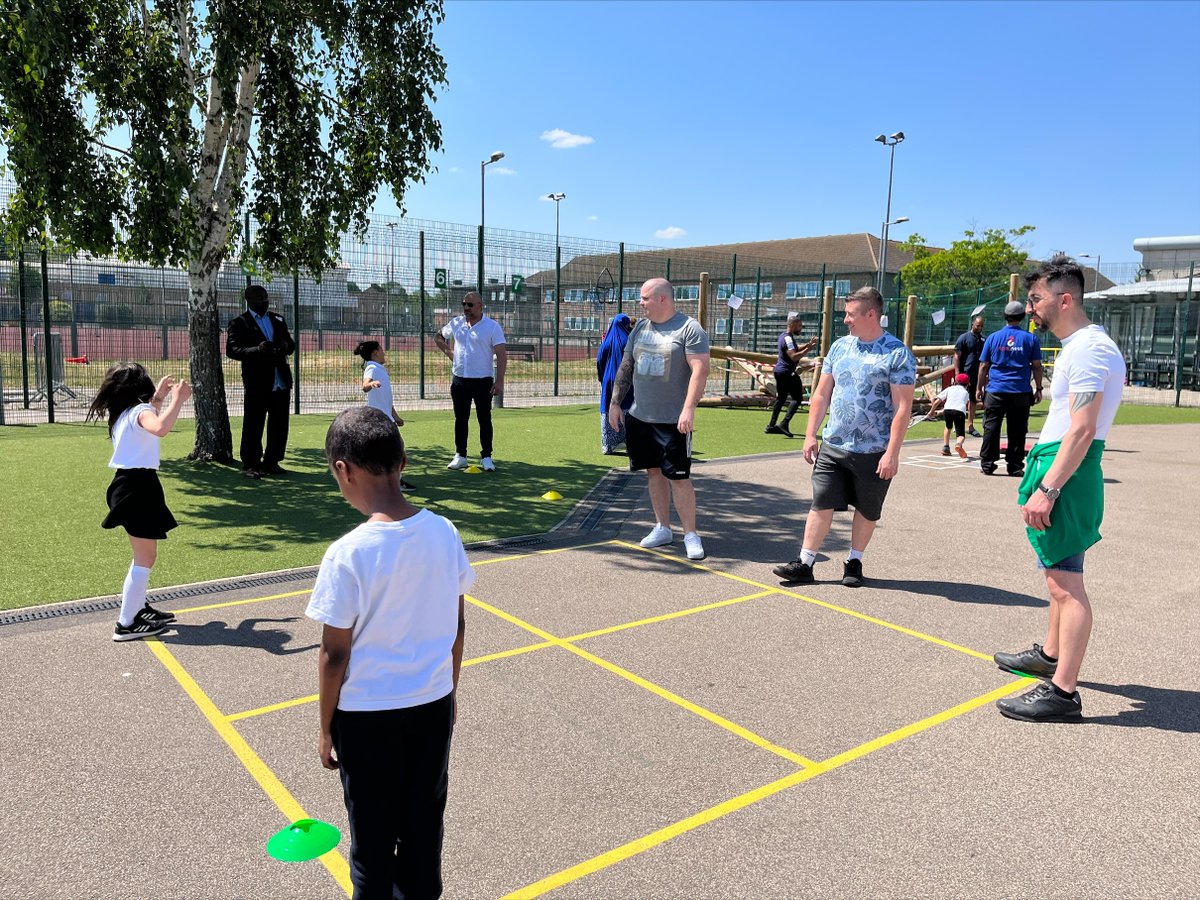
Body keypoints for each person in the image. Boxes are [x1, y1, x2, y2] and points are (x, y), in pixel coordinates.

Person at [307, 406, 473, 896]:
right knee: (423, 823)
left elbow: (334, 655)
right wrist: (450, 691)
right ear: (403, 461)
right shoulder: (444, 531)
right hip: (431, 704)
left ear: (343, 469)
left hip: (366, 717)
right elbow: (457, 625)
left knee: (372, 838)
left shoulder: (347, 553)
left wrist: (324, 726)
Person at [994, 255, 1125, 722]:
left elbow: (1084, 428)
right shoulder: (1080, 345)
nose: (1031, 308)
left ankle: (1063, 692)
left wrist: (1048, 489)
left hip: (1066, 474)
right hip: (1058, 464)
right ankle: (1050, 656)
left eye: (1036, 299)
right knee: (1056, 574)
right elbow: (1070, 421)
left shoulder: (1089, 348)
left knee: (1067, 586)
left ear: (1064, 299)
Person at [773, 286, 916, 588]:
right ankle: (806, 562)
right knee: (821, 502)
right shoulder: (839, 347)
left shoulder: (897, 354)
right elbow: (822, 394)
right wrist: (811, 434)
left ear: (871, 314)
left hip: (874, 449)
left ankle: (854, 561)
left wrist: (892, 452)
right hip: (833, 444)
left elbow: (903, 408)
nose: (846, 320)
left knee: (866, 509)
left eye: (850, 314)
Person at [607, 278, 711, 561]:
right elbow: (626, 366)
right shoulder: (640, 328)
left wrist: (689, 408)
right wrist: (616, 403)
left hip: (673, 420)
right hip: (641, 416)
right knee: (653, 472)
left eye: (644, 298)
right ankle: (663, 528)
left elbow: (700, 371)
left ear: (662, 299)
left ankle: (691, 534)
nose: (640, 304)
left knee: (678, 477)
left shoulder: (690, 329)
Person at [87, 362, 192, 641]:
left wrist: (160, 397)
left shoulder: (125, 413)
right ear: (140, 389)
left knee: (145, 556)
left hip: (130, 485)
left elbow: (149, 417)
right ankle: (126, 623)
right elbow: (158, 427)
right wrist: (179, 400)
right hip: (137, 489)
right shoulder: (140, 412)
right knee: (145, 558)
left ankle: (137, 608)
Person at [226, 285, 295, 479]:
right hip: (257, 382)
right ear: (248, 300)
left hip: (280, 380)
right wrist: (257, 349)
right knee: (254, 424)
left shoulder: (277, 319)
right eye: (259, 298)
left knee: (279, 424)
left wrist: (285, 346)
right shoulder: (240, 323)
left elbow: (291, 345)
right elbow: (232, 350)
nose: (264, 301)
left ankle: (272, 462)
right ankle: (251, 464)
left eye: (265, 297)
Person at [435, 291, 507, 472]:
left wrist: (499, 382)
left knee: (484, 419)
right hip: (460, 380)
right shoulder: (457, 323)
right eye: (464, 304)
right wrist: (449, 352)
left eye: (470, 305)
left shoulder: (492, 327)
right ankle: (460, 455)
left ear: (480, 305)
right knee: (461, 419)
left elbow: (501, 354)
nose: (466, 308)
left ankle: (487, 457)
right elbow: (438, 337)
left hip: (483, 381)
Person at [977, 300, 1043, 477]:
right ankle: (1014, 466)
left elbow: (984, 365)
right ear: (1022, 317)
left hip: (996, 389)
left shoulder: (993, 338)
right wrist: (1039, 387)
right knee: (1018, 429)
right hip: (1020, 390)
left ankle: (988, 464)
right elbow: (1037, 365)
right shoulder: (1030, 339)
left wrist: (979, 388)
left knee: (991, 427)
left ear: (1005, 316)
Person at [354, 339, 416, 492]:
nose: (384, 352)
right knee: (395, 448)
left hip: (386, 418)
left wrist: (395, 415)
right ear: (375, 353)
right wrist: (371, 384)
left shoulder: (380, 369)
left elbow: (386, 398)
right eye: (381, 349)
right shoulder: (372, 367)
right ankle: (393, 482)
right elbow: (365, 386)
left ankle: (382, 481)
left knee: (389, 450)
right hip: (378, 419)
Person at [765, 312, 818, 438]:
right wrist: (808, 350)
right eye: (799, 325)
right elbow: (794, 356)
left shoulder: (784, 336)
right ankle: (784, 423)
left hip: (780, 371)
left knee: (781, 398)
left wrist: (807, 345)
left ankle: (771, 426)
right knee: (797, 398)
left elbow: (794, 348)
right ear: (792, 324)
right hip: (787, 372)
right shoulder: (788, 338)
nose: (801, 328)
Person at [597, 313, 634, 454]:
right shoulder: (628, 341)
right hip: (624, 379)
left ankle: (608, 445)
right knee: (628, 407)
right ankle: (629, 441)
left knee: (608, 407)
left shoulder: (605, 342)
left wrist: (602, 377)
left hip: (608, 380)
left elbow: (599, 361)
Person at [954, 315, 987, 436]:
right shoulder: (964, 338)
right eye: (978, 325)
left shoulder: (984, 340)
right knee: (961, 399)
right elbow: (957, 356)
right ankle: (958, 425)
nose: (980, 328)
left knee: (973, 399)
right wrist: (958, 373)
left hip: (977, 375)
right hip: (964, 375)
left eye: (982, 326)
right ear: (973, 324)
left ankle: (970, 425)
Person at [929, 373, 972, 458]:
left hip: (947, 411)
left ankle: (946, 447)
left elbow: (937, 401)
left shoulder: (949, 389)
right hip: (959, 412)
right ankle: (958, 444)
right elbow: (964, 405)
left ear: (955, 381)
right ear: (967, 384)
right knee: (960, 434)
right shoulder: (966, 393)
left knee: (948, 427)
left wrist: (931, 411)